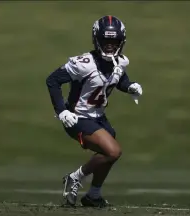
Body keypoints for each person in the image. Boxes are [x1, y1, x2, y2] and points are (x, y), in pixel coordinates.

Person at [46, 15, 143, 207]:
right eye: (106, 41)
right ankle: (75, 177)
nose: (109, 46)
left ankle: (93, 195)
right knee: (113, 151)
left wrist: (130, 86)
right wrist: (62, 110)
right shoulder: (84, 64)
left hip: (99, 117)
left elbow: (119, 78)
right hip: (78, 117)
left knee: (108, 155)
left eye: (114, 41)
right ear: (97, 40)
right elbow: (53, 80)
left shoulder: (120, 62)